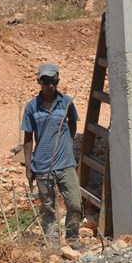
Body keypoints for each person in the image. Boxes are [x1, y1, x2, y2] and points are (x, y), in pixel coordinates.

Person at [21, 63, 83, 240]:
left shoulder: (66, 102)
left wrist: (67, 142)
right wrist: (28, 166)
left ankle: (72, 237)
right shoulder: (31, 107)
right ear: (39, 81)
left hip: (66, 163)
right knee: (48, 207)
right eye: (46, 81)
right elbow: (28, 138)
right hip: (42, 165)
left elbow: (72, 122)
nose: (50, 85)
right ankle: (51, 241)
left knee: (75, 203)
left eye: (54, 81)